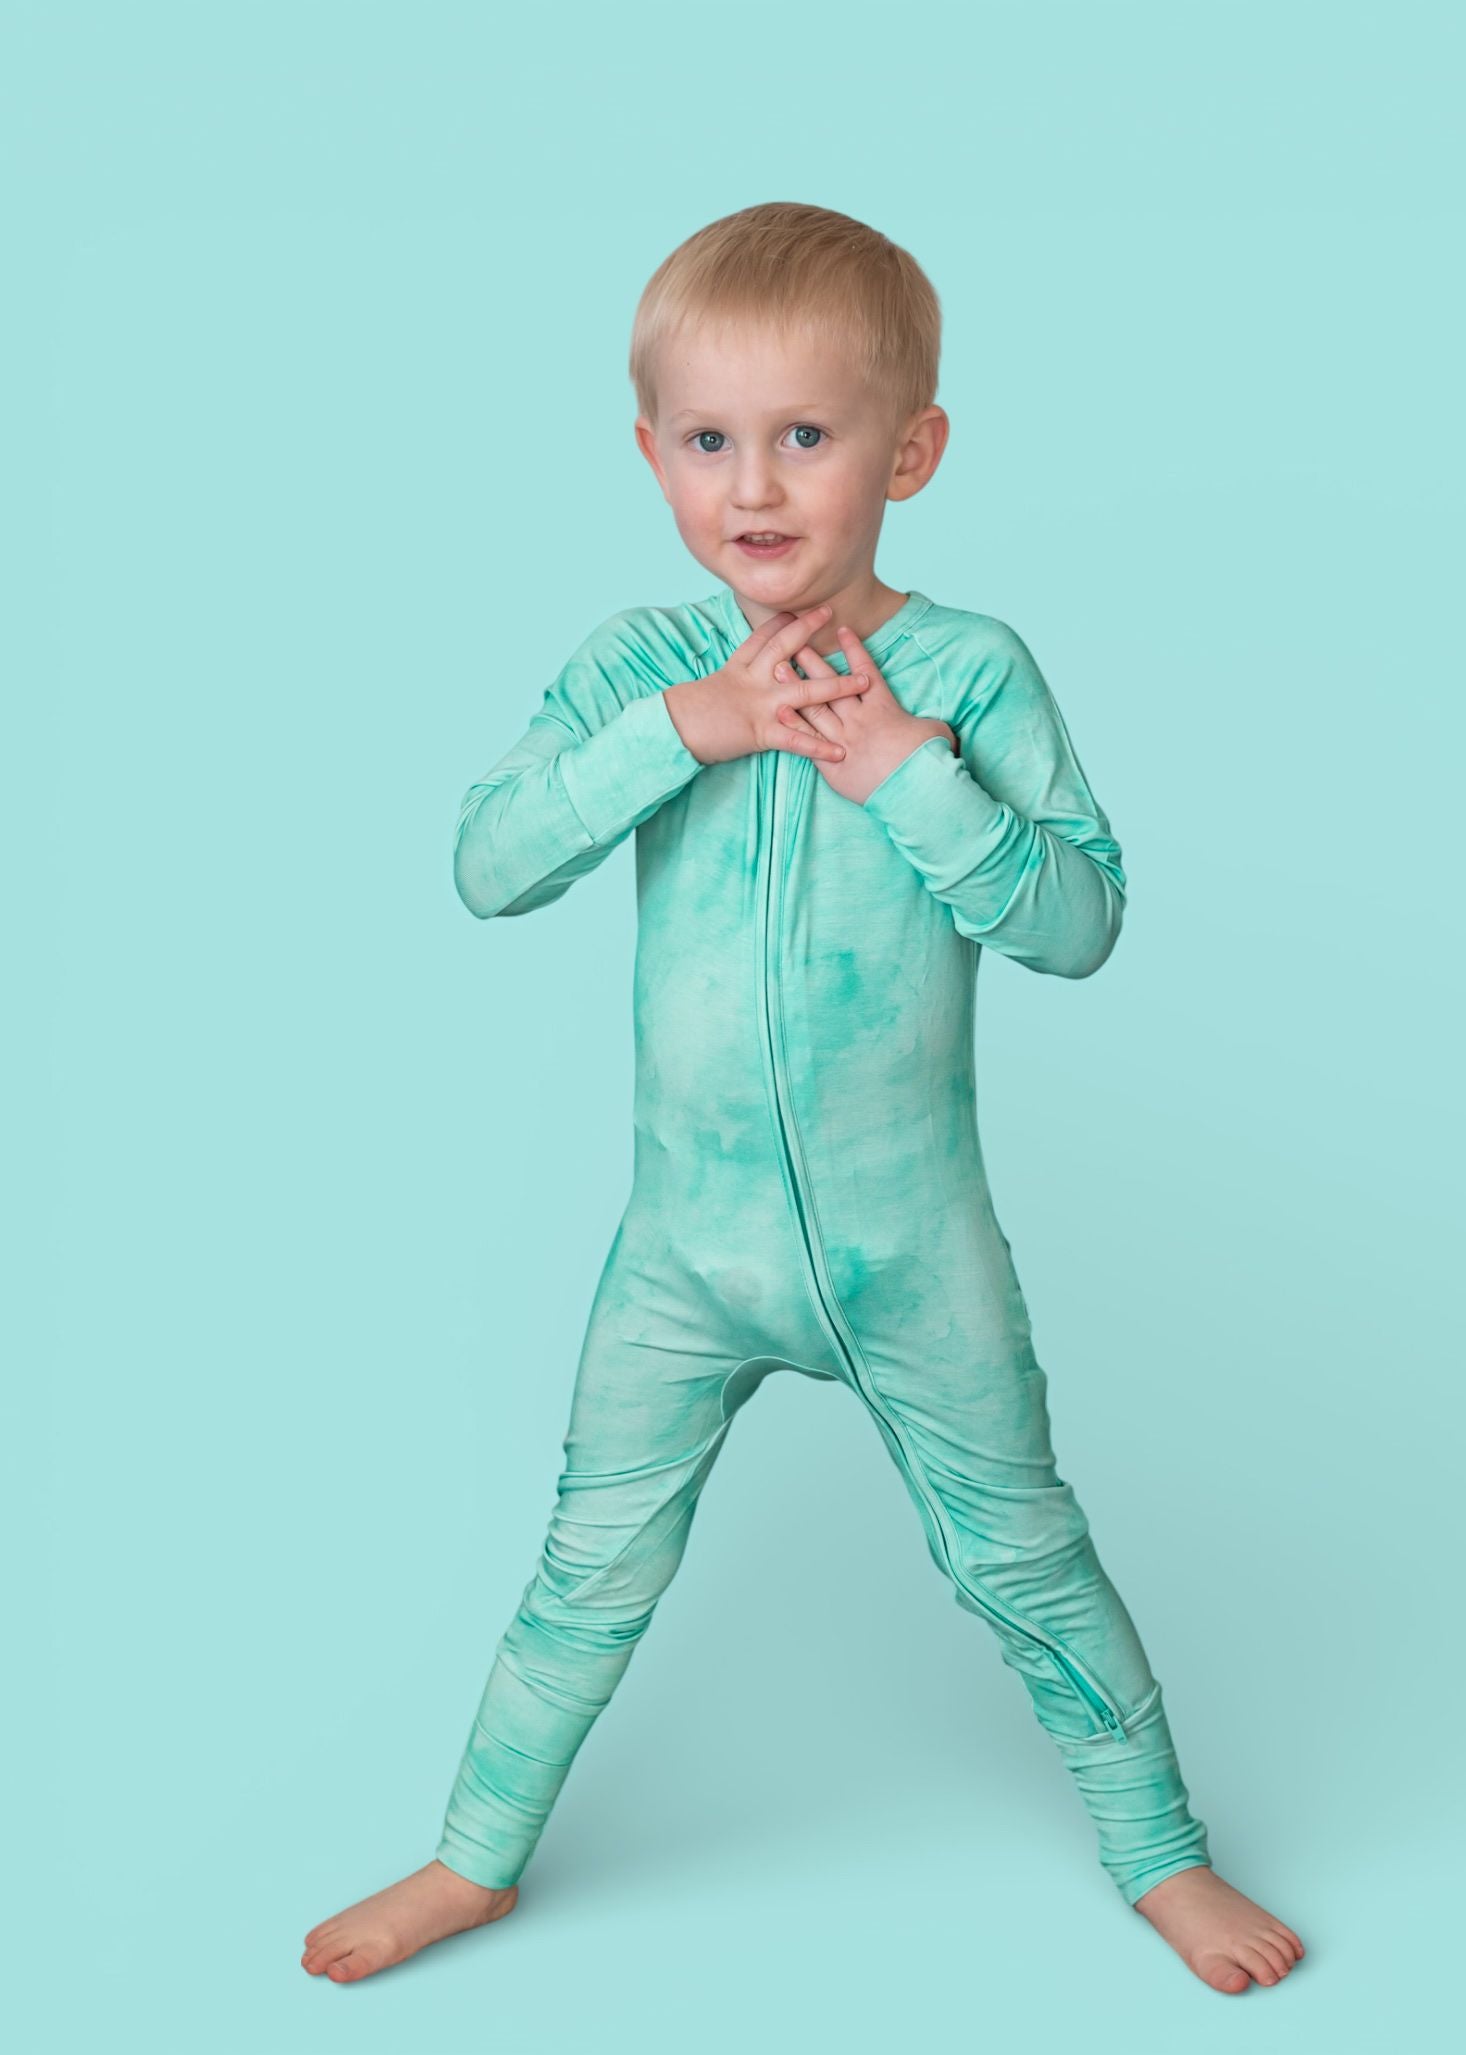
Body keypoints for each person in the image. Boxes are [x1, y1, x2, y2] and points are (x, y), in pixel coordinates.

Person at [303, 201, 1305, 1995]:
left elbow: (1079, 924)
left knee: (1024, 1555)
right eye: (707, 440)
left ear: (910, 452)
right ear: (650, 454)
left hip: (911, 1248)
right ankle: (473, 1858)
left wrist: (913, 777)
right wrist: (688, 729)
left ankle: (1163, 1858)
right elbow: (487, 864)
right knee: (586, 1571)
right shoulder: (639, 671)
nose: (753, 486)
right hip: (683, 1258)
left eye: (807, 436)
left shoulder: (970, 673)